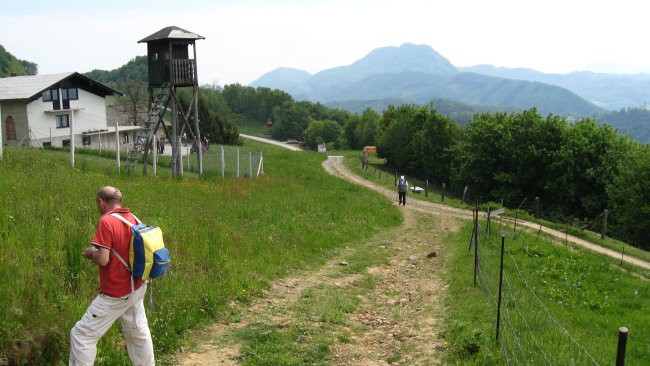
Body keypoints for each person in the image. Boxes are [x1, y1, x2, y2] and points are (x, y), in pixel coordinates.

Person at [69, 186, 154, 365]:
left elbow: (103, 260)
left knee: (81, 335)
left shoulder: (106, 221)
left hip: (116, 293)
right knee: (138, 335)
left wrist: (92, 253)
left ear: (101, 201)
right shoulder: (133, 219)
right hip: (137, 286)